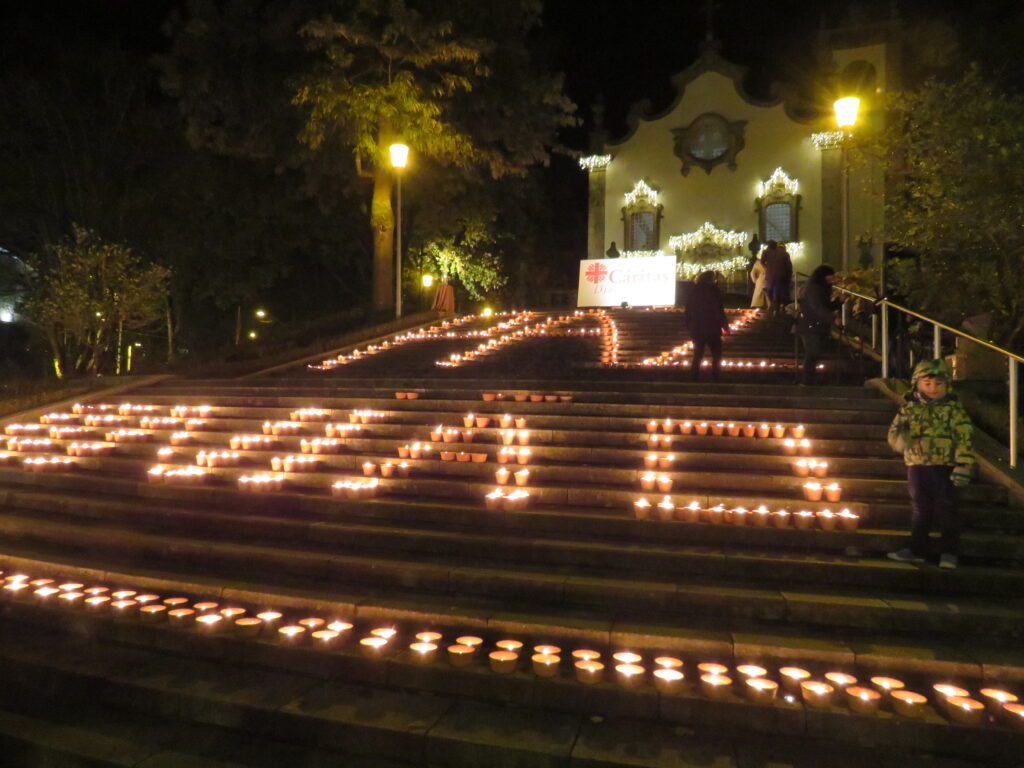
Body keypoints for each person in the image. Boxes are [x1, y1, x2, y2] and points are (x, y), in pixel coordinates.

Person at [886, 359, 974, 569]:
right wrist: (900, 441)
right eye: (927, 384)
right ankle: (917, 549)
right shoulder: (909, 409)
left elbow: (964, 437)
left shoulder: (953, 410)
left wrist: (963, 464)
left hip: (946, 466)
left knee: (947, 508)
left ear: (947, 385)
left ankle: (949, 552)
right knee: (920, 508)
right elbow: (893, 432)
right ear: (917, 384)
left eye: (938, 384)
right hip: (917, 465)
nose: (933, 389)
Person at [795, 264, 841, 385]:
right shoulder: (814, 289)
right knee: (812, 353)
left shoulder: (820, 288)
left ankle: (809, 380)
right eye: (831, 275)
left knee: (814, 353)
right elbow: (818, 307)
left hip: (815, 325)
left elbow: (823, 306)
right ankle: (807, 380)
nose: (833, 278)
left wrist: (838, 302)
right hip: (811, 326)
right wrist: (832, 318)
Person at [685, 270, 731, 381]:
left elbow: (688, 310)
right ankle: (716, 375)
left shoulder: (693, 291)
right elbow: (718, 309)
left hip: (697, 328)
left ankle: (694, 376)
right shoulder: (713, 291)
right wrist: (724, 325)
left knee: (698, 354)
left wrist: (689, 325)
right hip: (712, 328)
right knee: (716, 354)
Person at [762, 241, 793, 318]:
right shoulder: (784, 253)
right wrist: (789, 275)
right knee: (780, 292)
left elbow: (762, 262)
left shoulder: (766, 252)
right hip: (782, 275)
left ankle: (772, 305)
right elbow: (789, 266)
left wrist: (767, 267)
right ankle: (778, 309)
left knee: (770, 290)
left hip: (770, 275)